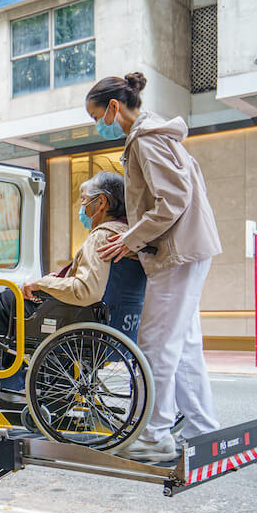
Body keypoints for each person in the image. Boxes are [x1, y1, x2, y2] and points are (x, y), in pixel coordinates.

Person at [87, 72, 223, 462]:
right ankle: (202, 430)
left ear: (114, 107)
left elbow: (172, 200)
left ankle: (154, 434)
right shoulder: (157, 135)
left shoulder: (145, 140)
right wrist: (140, 241)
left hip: (177, 255)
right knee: (184, 348)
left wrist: (130, 239)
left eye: (96, 116)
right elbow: (177, 200)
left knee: (156, 345)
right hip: (186, 249)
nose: (97, 125)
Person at [0, 171, 144, 399]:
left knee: (7, 299)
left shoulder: (102, 237)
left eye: (83, 200)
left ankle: (1, 376)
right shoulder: (132, 239)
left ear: (101, 202)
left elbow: (85, 290)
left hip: (88, 324)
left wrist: (44, 282)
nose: (82, 207)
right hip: (123, 329)